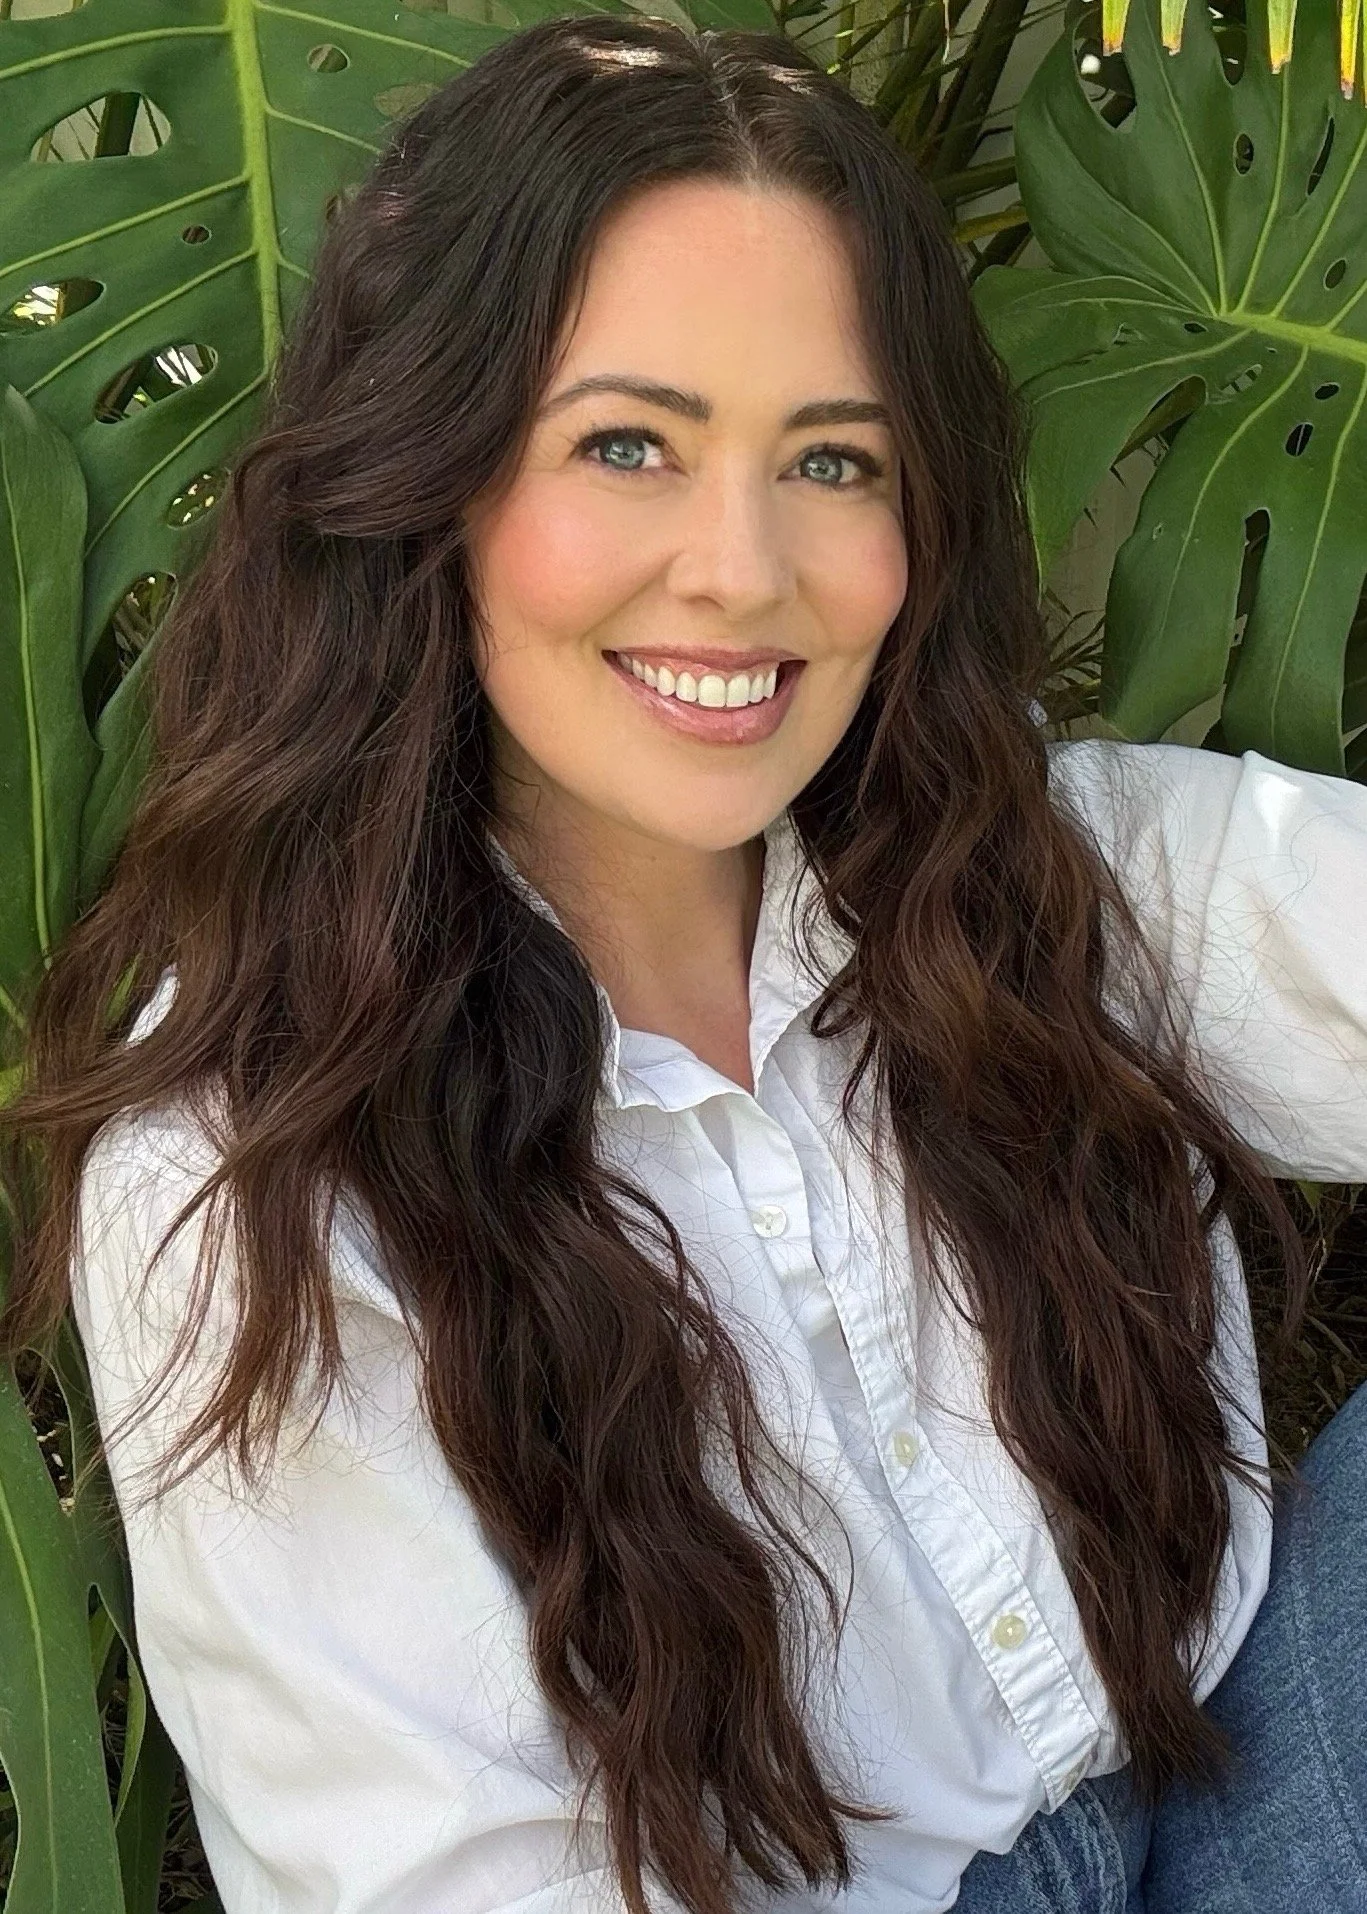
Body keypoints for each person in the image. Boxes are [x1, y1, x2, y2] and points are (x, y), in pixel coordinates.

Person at [2, 14, 1365, 1913]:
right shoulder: (255, 1164)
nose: (738, 570)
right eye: (626, 444)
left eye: (829, 459)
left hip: (1252, 1768)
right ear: (436, 474)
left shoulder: (1042, 871)